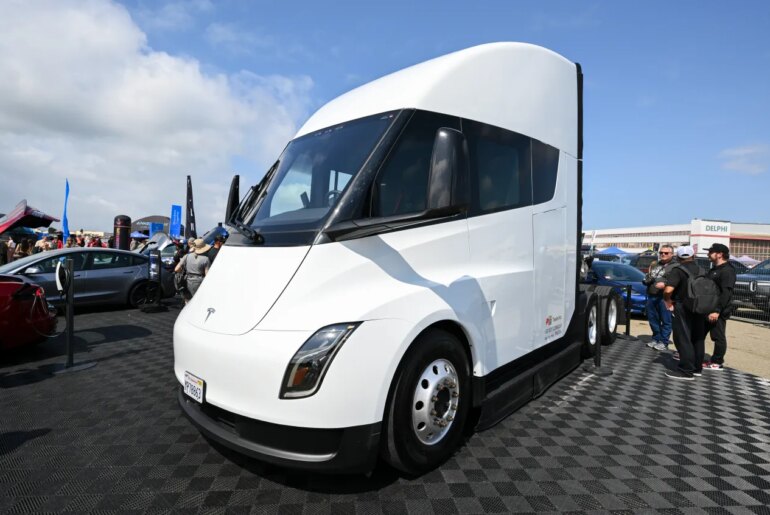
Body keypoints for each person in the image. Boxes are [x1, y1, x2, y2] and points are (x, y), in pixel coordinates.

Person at [663, 246, 706, 380]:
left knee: (683, 337)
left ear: (678, 257)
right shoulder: (702, 270)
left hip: (683, 306)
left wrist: (668, 301)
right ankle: (697, 368)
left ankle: (686, 370)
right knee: (698, 338)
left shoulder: (678, 270)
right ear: (693, 256)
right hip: (700, 306)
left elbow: (668, 290)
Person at [702, 243, 736, 370]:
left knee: (718, 336)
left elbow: (726, 293)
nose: (708, 254)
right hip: (707, 308)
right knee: (699, 333)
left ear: (720, 254)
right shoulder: (714, 269)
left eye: (711, 252)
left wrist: (717, 311)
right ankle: (697, 356)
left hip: (718, 310)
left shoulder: (728, 271)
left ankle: (717, 362)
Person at [643, 245, 676, 351]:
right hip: (652, 295)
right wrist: (646, 279)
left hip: (665, 297)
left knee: (666, 320)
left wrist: (665, 285)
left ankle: (664, 341)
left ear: (672, 254)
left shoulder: (676, 266)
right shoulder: (654, 264)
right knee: (653, 319)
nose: (663, 254)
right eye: (661, 252)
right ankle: (656, 338)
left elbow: (678, 282)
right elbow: (649, 276)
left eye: (666, 253)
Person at [175, 238, 211, 303]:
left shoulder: (186, 256)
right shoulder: (206, 259)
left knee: (188, 302)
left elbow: (176, 269)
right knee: (198, 302)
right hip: (199, 282)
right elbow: (207, 276)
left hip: (187, 280)